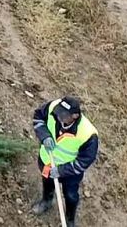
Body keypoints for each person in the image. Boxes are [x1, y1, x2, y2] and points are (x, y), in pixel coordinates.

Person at [30, 96, 98, 227]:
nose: (59, 116)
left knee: (71, 195)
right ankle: (47, 201)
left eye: (63, 115)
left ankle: (70, 219)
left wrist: (61, 171)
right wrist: (44, 136)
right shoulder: (53, 107)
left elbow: (84, 162)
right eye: (59, 112)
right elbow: (38, 117)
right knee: (47, 183)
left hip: (70, 173)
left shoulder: (88, 134)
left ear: (75, 116)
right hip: (47, 161)